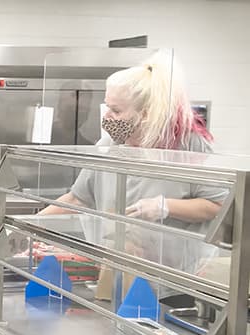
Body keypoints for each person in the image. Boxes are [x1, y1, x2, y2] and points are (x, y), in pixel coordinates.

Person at [39, 52, 227, 291]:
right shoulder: (109, 146)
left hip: (171, 284)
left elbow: (218, 206)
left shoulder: (187, 145)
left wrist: (165, 206)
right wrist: (31, 224)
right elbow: (77, 198)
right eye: (107, 108)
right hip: (115, 275)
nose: (107, 118)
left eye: (116, 111)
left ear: (146, 113)